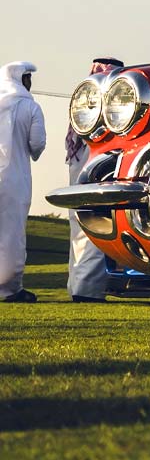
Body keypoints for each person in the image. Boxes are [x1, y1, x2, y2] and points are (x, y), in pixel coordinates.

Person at [65, 57, 124, 303]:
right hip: (96, 165)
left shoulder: (82, 98)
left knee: (78, 228)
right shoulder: (108, 98)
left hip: (77, 165)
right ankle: (88, 290)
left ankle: (77, 286)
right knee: (95, 225)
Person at [0, 61, 47, 303]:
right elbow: (37, 144)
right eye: (28, 78)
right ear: (21, 79)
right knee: (11, 234)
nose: (30, 83)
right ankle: (9, 289)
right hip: (14, 178)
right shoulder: (30, 106)